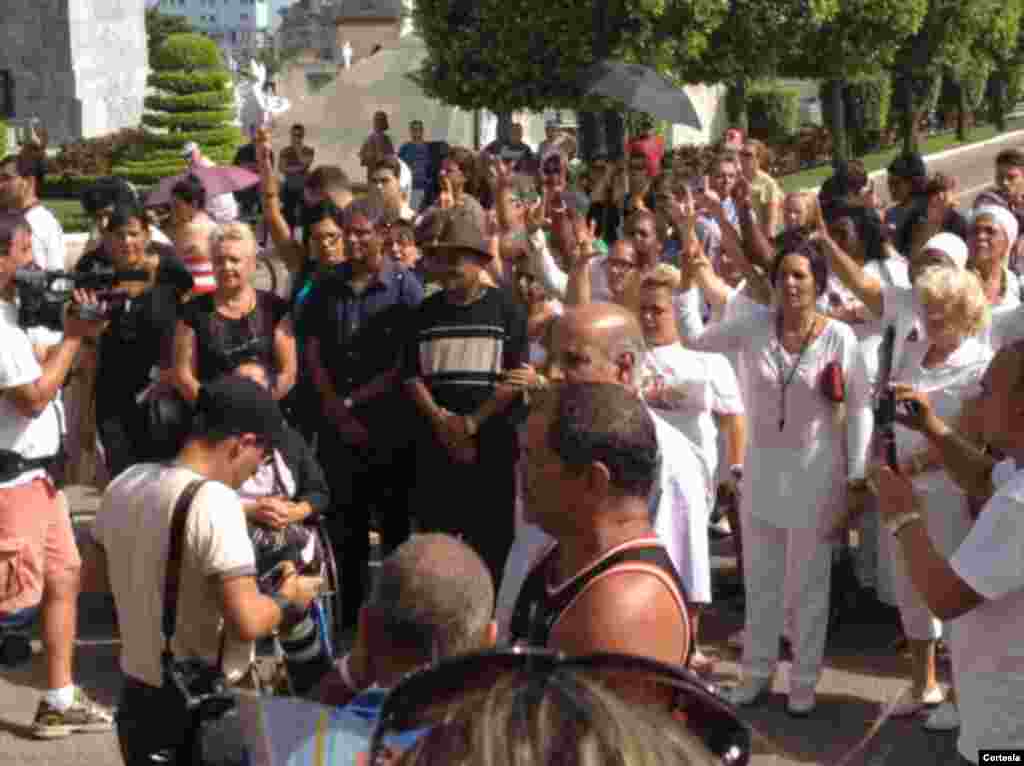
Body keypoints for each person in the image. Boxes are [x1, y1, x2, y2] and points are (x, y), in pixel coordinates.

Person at [83, 375, 323, 765]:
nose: (254, 472)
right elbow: (247, 621)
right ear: (243, 443)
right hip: (203, 710)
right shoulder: (216, 503)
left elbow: (93, 580)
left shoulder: (125, 483)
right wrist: (287, 598)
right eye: (261, 458)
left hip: (138, 701)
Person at [678, 237, 865, 715]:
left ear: (819, 283)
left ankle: (803, 680)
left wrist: (857, 476)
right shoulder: (753, 326)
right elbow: (693, 339)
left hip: (815, 474)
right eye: (784, 275)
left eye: (801, 275)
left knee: (807, 586)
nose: (791, 283)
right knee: (760, 583)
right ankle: (755, 673)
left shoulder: (838, 337)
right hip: (761, 473)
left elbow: (860, 408)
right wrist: (686, 282)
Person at [848, 265, 991, 728]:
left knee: (949, 589)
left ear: (963, 311)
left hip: (948, 492)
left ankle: (961, 694)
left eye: (938, 309)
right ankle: (922, 682)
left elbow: (970, 438)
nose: (927, 316)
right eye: (925, 307)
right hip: (902, 488)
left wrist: (911, 466)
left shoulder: (979, 363)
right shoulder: (912, 351)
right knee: (911, 588)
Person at [874, 342, 1024, 763]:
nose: (977, 399)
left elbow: (946, 598)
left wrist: (903, 517)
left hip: (1004, 744)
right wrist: (933, 428)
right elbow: (984, 478)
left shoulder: (1019, 506)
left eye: (989, 390)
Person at [0, 214, 113, 738]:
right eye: (24, 252)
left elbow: (42, 358)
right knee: (8, 603)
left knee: (64, 578)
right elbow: (33, 397)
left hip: (39, 484)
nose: (34, 263)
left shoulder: (12, 316)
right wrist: (73, 340)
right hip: (9, 486)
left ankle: (58, 698)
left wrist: (81, 330)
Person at [508, 381, 692, 669]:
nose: (519, 469)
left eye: (533, 458)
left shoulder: (622, 609)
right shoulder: (561, 553)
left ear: (594, 481)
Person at [305, 200, 423, 625]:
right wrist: (335, 407)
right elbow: (313, 349)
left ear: (382, 232)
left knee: (394, 528)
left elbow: (405, 361)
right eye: (347, 233)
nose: (354, 241)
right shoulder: (325, 285)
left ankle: (395, 620)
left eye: (362, 232)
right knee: (345, 526)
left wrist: (356, 403)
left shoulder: (405, 287)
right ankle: (350, 620)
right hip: (337, 428)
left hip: (389, 427)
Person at [402, 210, 527, 584]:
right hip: (434, 448)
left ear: (480, 262)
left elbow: (515, 379)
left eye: (459, 257)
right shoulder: (422, 314)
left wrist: (472, 424)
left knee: (490, 546)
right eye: (442, 257)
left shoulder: (507, 310)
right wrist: (443, 422)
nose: (449, 265)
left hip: (491, 448)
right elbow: (411, 377)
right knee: (435, 550)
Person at [312, 533, 497, 760]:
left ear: (366, 626)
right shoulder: (510, 747)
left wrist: (349, 675)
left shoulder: (328, 745)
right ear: (490, 639)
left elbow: (286, 739)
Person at [87, 204, 195, 478]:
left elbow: (191, 317)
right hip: (113, 388)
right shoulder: (94, 268)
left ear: (147, 236)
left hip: (162, 388)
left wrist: (179, 369)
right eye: (118, 235)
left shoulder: (169, 266)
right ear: (107, 239)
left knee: (164, 474)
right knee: (122, 474)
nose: (127, 242)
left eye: (134, 234)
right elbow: (79, 328)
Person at [172, 223, 296, 403]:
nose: (226, 267)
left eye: (234, 260)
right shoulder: (191, 313)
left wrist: (263, 407)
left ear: (252, 263)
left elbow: (288, 372)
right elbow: (184, 377)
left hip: (267, 413)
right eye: (219, 260)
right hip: (213, 418)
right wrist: (218, 410)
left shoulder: (274, 307)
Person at [0, 154, 64, 270]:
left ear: (28, 181)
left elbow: (55, 274)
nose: (1, 185)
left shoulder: (45, 222)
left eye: (6, 178)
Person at [182, 141, 239, 225]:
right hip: (213, 212)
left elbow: (200, 190)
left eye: (190, 155)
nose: (188, 159)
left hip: (222, 211)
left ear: (197, 152)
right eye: (185, 156)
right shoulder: (193, 168)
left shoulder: (207, 166)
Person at [740, 139, 783, 238]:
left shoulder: (768, 183)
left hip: (756, 238)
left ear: (759, 159)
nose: (742, 157)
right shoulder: (734, 178)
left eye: (748, 155)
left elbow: (770, 222)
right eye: (741, 153)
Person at [278, 124, 315, 234]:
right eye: (294, 135)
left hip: (304, 187)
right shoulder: (285, 151)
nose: (296, 137)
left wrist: (297, 150)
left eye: (299, 135)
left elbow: (305, 163)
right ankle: (289, 239)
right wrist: (298, 168)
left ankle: (306, 242)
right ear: (291, 135)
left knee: (306, 215)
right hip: (290, 187)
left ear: (303, 135)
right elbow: (282, 168)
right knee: (288, 216)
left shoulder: (308, 150)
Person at [398, 120, 432, 212]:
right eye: (413, 129)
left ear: (422, 130)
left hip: (425, 186)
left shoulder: (429, 148)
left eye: (418, 129)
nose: (416, 132)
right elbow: (399, 166)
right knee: (411, 214)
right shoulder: (405, 147)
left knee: (423, 215)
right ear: (410, 131)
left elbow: (432, 166)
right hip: (409, 186)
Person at [359, 111, 395, 184]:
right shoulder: (370, 139)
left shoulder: (386, 139)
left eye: (380, 121)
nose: (378, 124)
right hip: (373, 171)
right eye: (377, 121)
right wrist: (371, 156)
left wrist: (386, 159)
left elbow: (391, 156)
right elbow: (362, 155)